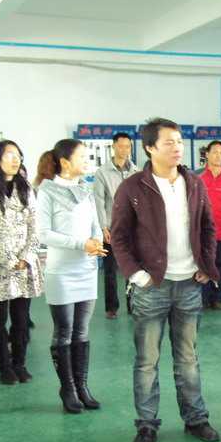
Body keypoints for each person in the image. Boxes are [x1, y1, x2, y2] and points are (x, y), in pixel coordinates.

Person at [111, 117, 221, 442]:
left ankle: (196, 419)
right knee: (147, 361)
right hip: (151, 288)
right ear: (149, 148)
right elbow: (119, 238)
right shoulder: (133, 187)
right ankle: (146, 425)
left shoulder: (194, 183)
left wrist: (206, 266)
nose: (177, 148)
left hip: (189, 285)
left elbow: (208, 228)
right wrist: (137, 275)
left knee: (188, 358)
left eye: (179, 141)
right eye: (169, 142)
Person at [37, 139, 108, 414]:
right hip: (62, 272)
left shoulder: (85, 190)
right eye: (82, 157)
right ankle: (67, 388)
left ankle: (82, 386)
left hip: (86, 269)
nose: (87, 161)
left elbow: (95, 225)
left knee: (82, 331)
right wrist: (81, 244)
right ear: (65, 162)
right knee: (64, 332)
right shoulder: (47, 191)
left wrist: (97, 241)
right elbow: (44, 234)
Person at [0, 140, 43, 384]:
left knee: (22, 318)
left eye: (18, 155)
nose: (16, 160)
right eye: (10, 155)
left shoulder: (25, 187)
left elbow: (35, 226)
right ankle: (4, 366)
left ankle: (19, 363)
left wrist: (25, 256)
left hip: (24, 264)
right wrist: (9, 258)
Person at [93, 132, 138, 319]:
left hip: (131, 229)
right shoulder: (102, 172)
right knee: (110, 270)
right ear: (113, 146)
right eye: (121, 146)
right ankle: (111, 307)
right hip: (111, 229)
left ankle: (133, 304)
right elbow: (99, 201)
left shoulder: (136, 171)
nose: (124, 150)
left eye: (128, 146)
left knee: (132, 269)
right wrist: (103, 227)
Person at [200, 141, 221, 311]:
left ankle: (217, 300)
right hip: (203, 232)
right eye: (214, 152)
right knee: (204, 265)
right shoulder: (197, 178)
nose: (218, 156)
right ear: (207, 154)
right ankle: (203, 299)